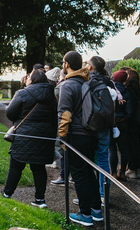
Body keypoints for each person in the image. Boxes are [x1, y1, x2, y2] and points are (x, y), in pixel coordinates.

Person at [58, 51, 102, 227]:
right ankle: (96, 210)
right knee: (88, 172)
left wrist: (62, 137)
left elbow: (65, 114)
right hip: (92, 133)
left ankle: (85, 214)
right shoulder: (88, 81)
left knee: (79, 175)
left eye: (63, 62)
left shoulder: (67, 85)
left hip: (76, 135)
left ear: (67, 64)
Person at [2, 68, 58, 207]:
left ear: (32, 80)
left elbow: (10, 113)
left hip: (24, 136)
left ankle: (7, 193)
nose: (26, 79)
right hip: (44, 137)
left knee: (16, 166)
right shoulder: (52, 94)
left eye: (28, 77)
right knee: (39, 168)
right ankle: (40, 200)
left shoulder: (23, 93)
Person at [87, 56, 115, 202]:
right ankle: (104, 195)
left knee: (90, 161)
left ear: (90, 67)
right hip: (105, 125)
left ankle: (92, 195)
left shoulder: (87, 81)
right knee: (104, 159)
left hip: (91, 125)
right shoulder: (108, 82)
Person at [109, 69, 130, 181]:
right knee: (124, 149)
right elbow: (130, 109)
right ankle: (122, 172)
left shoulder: (110, 90)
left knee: (112, 148)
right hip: (123, 123)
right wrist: (125, 118)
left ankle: (113, 173)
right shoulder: (127, 91)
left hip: (112, 122)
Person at [124, 69, 140, 179]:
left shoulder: (128, 90)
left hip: (131, 121)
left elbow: (130, 108)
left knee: (130, 145)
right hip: (138, 121)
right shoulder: (139, 91)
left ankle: (131, 169)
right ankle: (137, 170)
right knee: (137, 144)